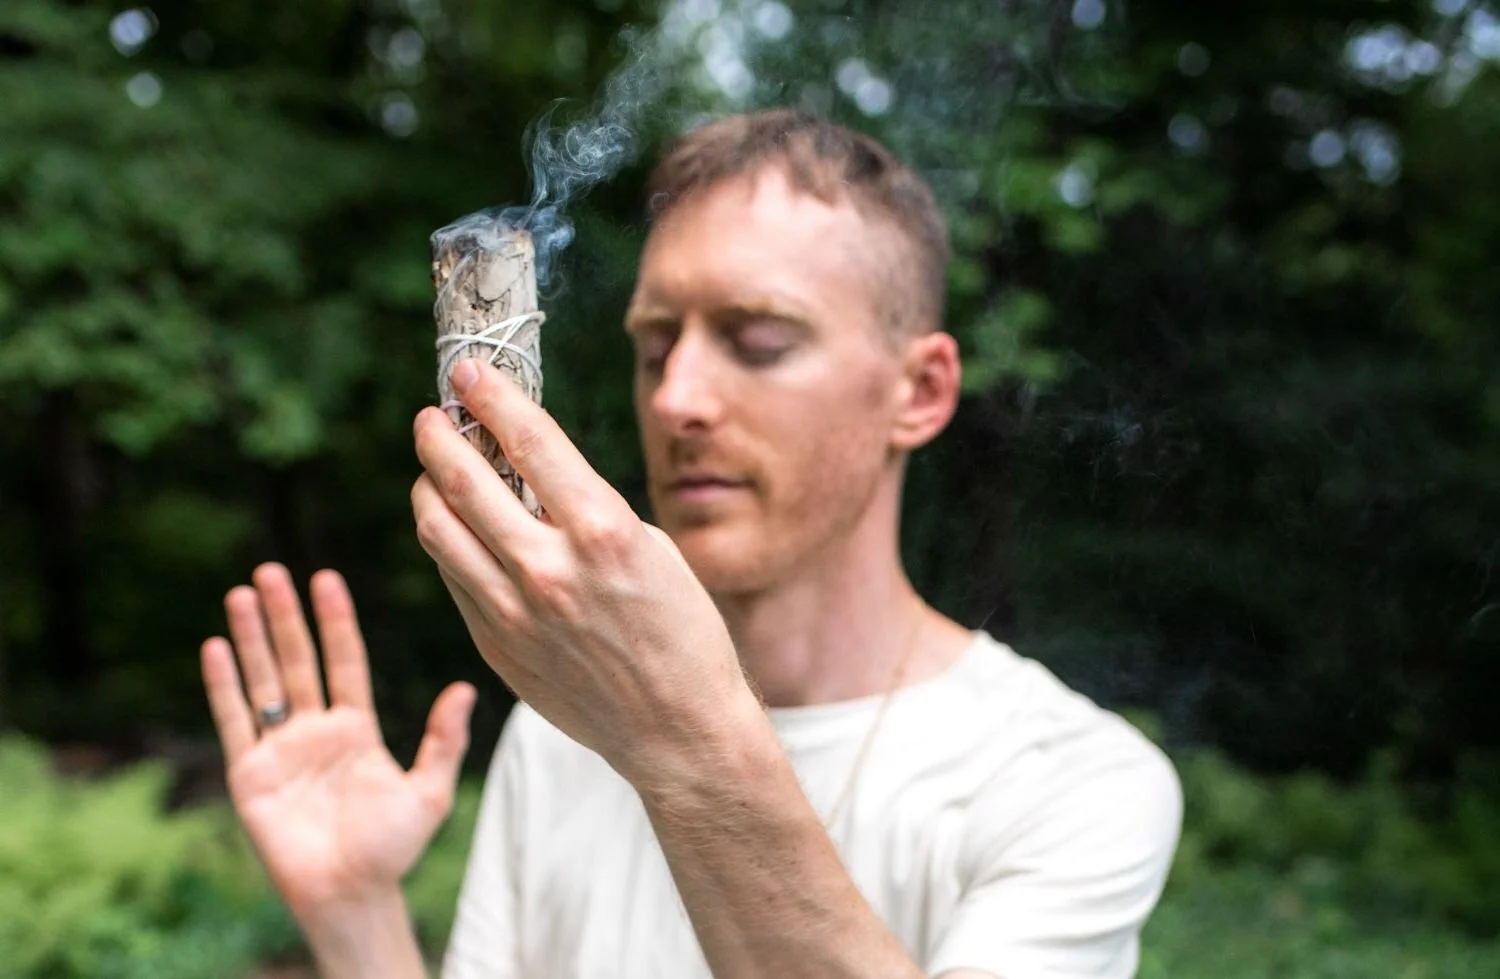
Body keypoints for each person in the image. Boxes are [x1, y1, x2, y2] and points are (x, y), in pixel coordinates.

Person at [199, 109, 1182, 979]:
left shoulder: (1072, 780)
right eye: (655, 344)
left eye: (759, 340)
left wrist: (680, 741)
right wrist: (358, 920)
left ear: (917, 392)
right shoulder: (562, 733)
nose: (675, 400)